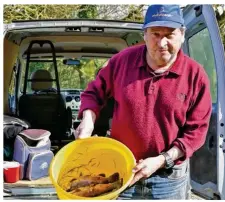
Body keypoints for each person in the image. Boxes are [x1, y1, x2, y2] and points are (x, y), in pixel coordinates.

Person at [75, 4, 212, 200]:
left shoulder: (196, 76)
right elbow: (93, 92)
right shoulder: (121, 62)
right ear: (144, 34)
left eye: (170, 34)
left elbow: (196, 133)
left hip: (169, 178)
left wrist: (162, 160)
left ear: (182, 34)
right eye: (155, 34)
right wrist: (88, 119)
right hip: (122, 171)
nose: (162, 43)